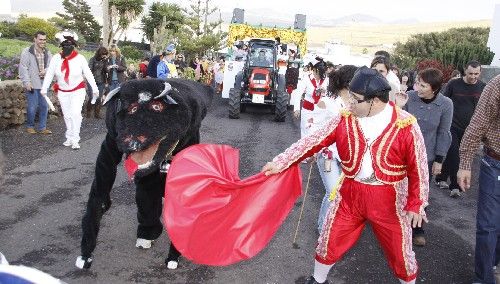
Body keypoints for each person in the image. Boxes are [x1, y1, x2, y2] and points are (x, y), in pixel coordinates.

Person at [262, 67, 429, 284]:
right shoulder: (345, 118)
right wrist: (280, 161)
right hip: (350, 193)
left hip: (390, 199)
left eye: (355, 99)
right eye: (350, 96)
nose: (349, 103)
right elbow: (313, 141)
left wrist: (416, 202)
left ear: (375, 101)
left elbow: (419, 167)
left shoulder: (405, 124)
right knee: (329, 239)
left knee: (400, 252)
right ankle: (318, 280)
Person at [402, 68, 453, 247]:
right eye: (417, 83)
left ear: (435, 88)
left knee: (421, 193)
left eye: (423, 85)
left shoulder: (446, 104)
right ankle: (396, 225)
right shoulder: (409, 97)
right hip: (403, 154)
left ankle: (417, 229)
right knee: (399, 190)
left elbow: (444, 132)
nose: (418, 88)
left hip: (427, 156)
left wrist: (439, 159)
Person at [457, 74, 500, 284]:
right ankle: (483, 278)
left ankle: (493, 262)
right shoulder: (498, 84)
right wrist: (465, 165)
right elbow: (477, 124)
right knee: (488, 226)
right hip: (495, 164)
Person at [315, 65, 358, 232]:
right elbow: (316, 129)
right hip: (328, 155)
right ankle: (323, 230)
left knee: (342, 194)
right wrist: (311, 149)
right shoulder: (327, 102)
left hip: (348, 156)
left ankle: (332, 226)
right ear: (349, 82)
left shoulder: (357, 104)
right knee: (332, 192)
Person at [435, 60, 486, 197]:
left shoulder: (482, 87)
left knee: (455, 155)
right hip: (451, 126)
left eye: (476, 74)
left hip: (470, 129)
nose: (473, 76)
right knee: (454, 155)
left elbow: (484, 110)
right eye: (470, 73)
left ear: (480, 72)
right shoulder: (454, 84)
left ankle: (440, 178)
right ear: (465, 71)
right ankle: (455, 187)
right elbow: (444, 103)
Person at [41, 30, 98, 150]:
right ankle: (69, 136)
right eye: (64, 45)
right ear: (61, 46)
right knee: (67, 115)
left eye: (70, 45)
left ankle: (76, 138)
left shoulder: (80, 58)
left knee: (76, 113)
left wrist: (95, 88)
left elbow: (88, 73)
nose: (67, 47)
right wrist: (44, 87)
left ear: (74, 46)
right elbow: (50, 74)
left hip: (78, 90)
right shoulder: (56, 58)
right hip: (63, 91)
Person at [18, 30, 53, 134]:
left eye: (44, 39)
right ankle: (30, 126)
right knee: (32, 107)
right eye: (40, 39)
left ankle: (42, 128)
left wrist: (45, 71)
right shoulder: (27, 51)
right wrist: (27, 82)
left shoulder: (48, 52)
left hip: (44, 85)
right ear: (35, 39)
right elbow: (23, 67)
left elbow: (51, 67)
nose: (43, 41)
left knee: (44, 107)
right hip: (32, 84)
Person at [291, 58, 329, 138]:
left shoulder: (326, 80)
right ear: (314, 70)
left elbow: (330, 95)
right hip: (308, 111)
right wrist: (296, 109)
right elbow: (298, 94)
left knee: (319, 136)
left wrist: (324, 91)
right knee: (307, 134)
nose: (319, 76)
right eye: (317, 73)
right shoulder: (306, 79)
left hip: (321, 113)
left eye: (321, 74)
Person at [86, 46, 108, 118]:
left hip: (101, 81)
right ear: (99, 53)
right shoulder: (93, 59)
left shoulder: (104, 61)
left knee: (99, 98)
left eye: (105, 54)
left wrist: (107, 65)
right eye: (103, 54)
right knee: (92, 96)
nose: (104, 55)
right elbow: (89, 70)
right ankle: (88, 112)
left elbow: (106, 71)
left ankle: (97, 114)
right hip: (92, 81)